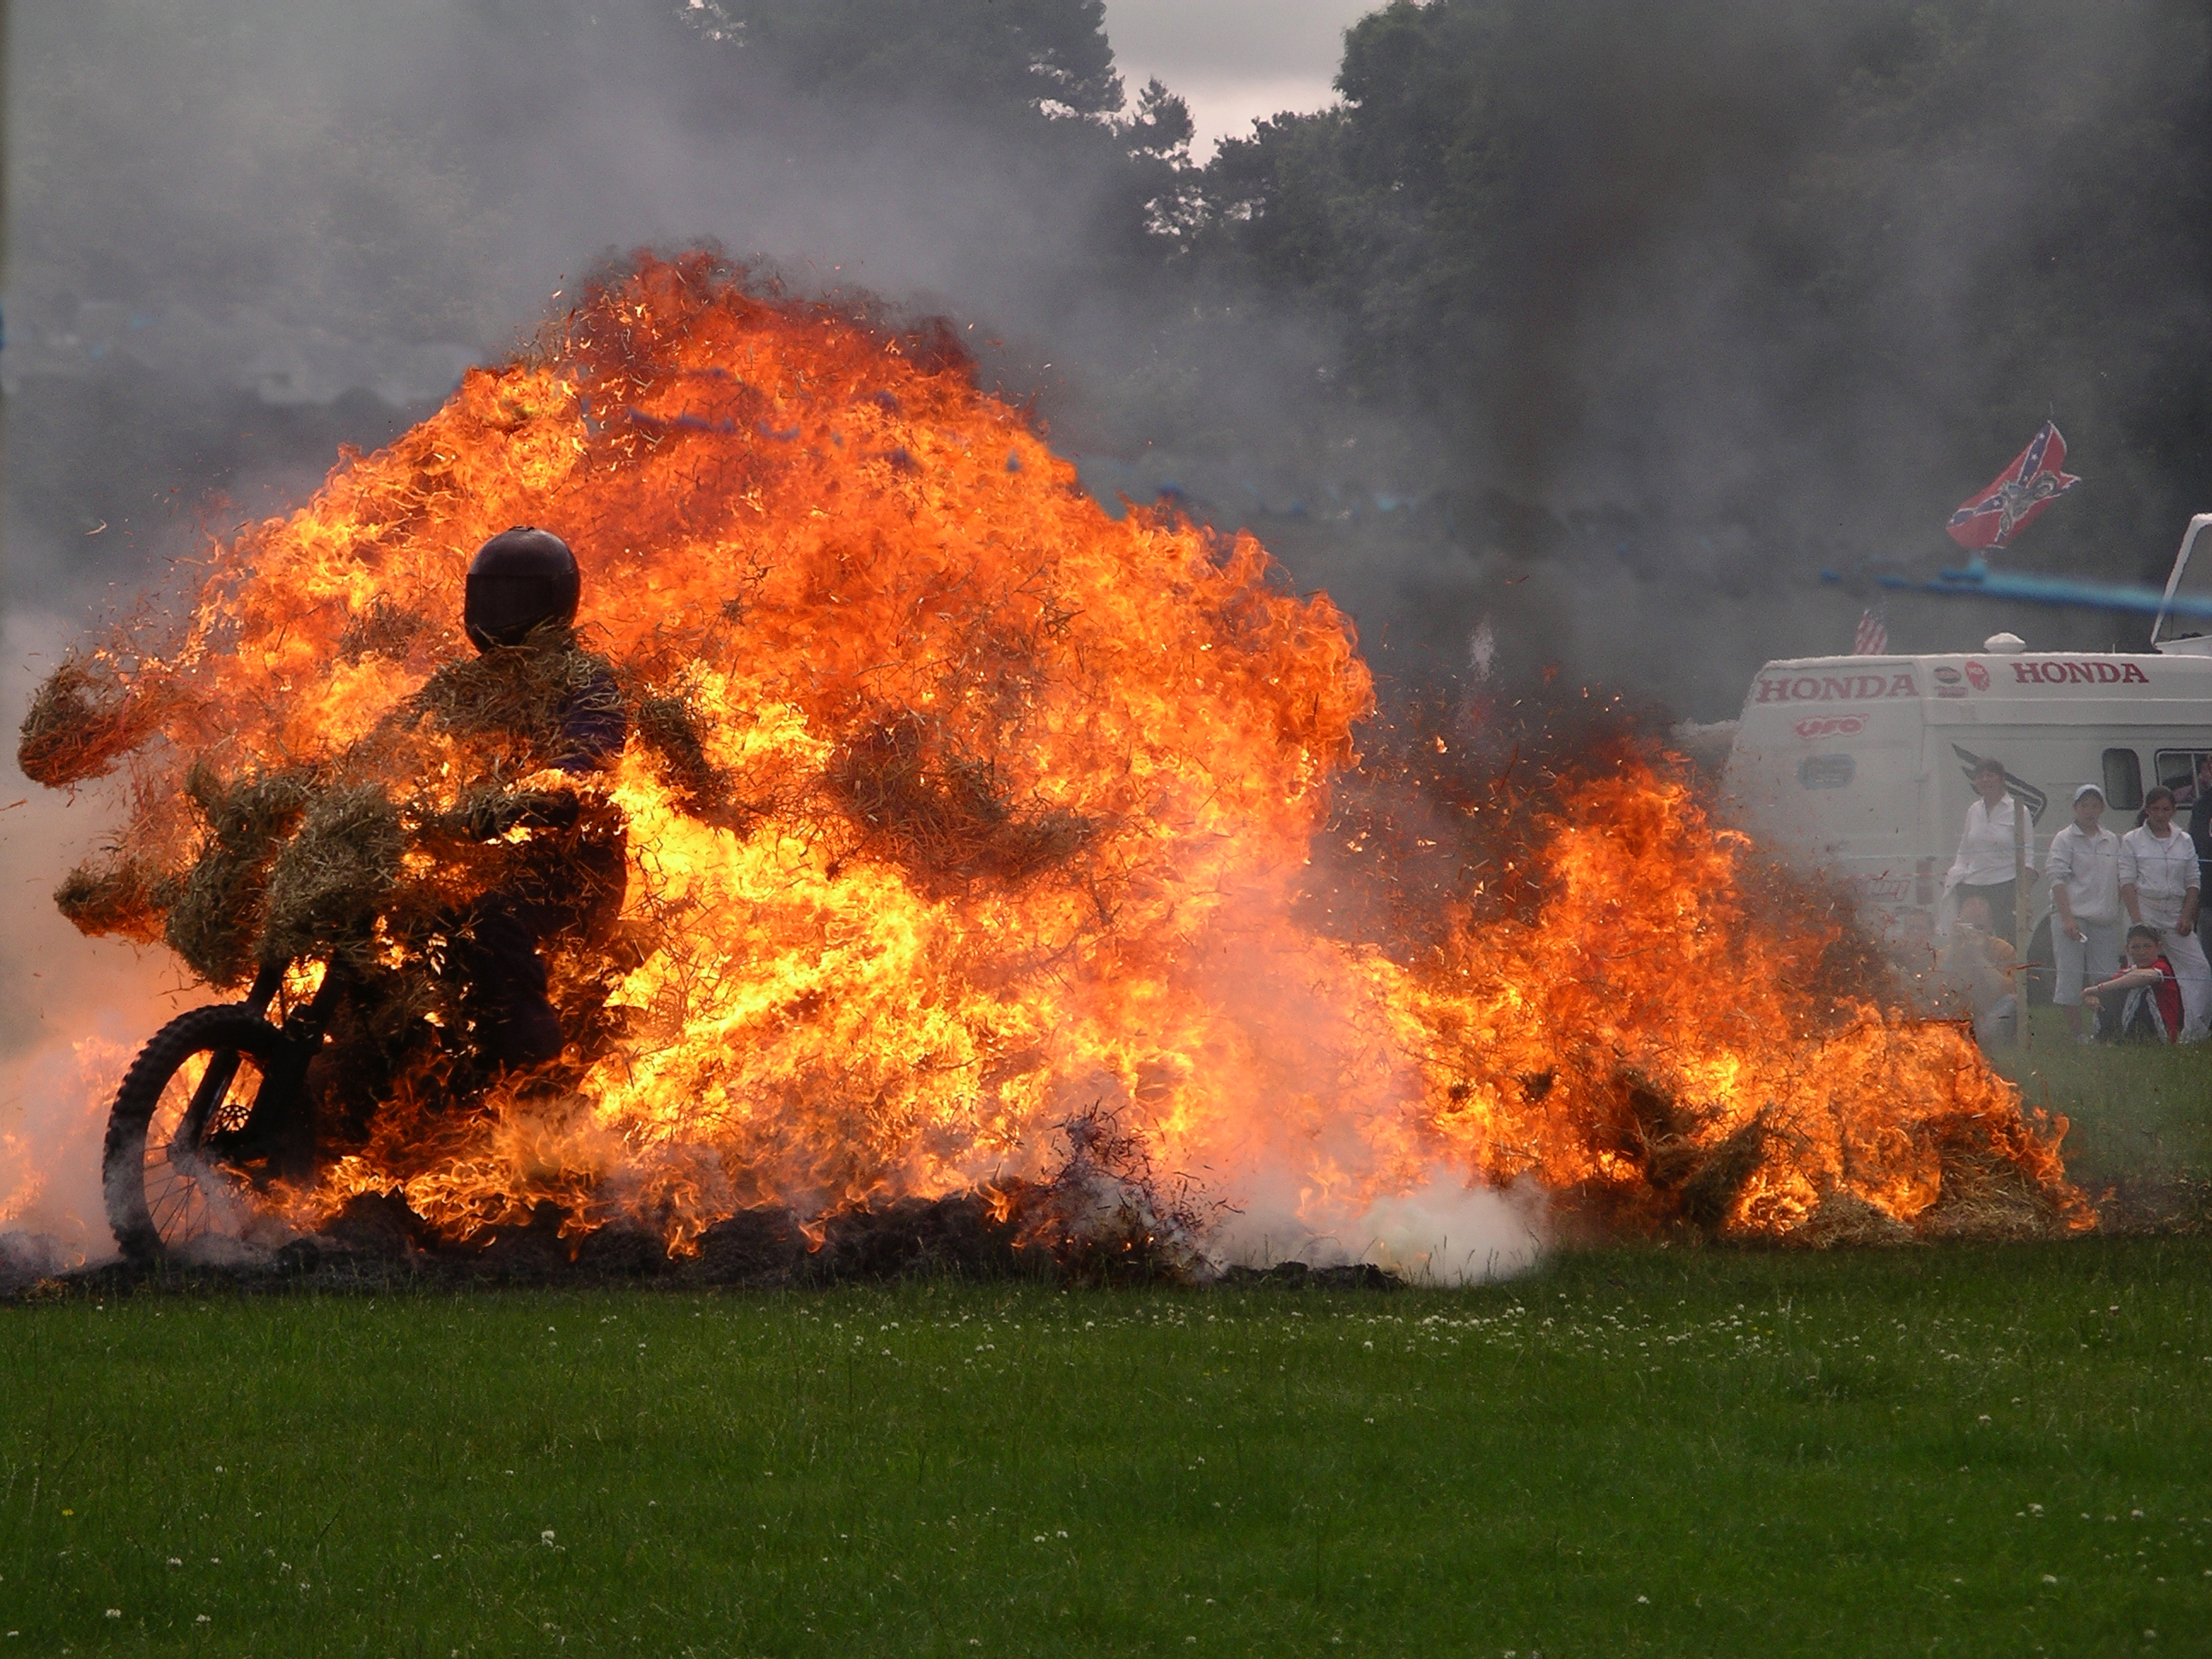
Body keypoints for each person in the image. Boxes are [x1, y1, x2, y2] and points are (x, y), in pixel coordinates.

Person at [442, 527, 629, 1071]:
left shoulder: (586, 682)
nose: (498, 611)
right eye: (489, 595)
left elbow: (587, 752)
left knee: (493, 922)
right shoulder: (465, 689)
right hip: (484, 859)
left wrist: (540, 793)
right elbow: (404, 744)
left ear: (549, 603)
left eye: (513, 596)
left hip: (570, 871)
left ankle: (539, 1095)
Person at [2117, 784, 2209, 1041]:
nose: (2161, 814)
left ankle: (2193, 1033)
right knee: (2140, 971)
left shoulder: (2184, 840)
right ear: (2147, 811)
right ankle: (2135, 1030)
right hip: (2144, 907)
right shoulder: (2132, 840)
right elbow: (2126, 881)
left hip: (2176, 912)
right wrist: (2138, 923)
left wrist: (2187, 917)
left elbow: (2193, 881)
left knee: (2198, 968)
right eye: (2155, 809)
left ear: (2174, 810)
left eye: (2166, 809)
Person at [2046, 783, 2123, 1042]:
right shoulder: (2064, 838)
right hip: (2073, 918)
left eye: (2094, 805)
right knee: (2070, 977)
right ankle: (2078, 1035)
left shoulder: (2110, 839)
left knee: (2106, 978)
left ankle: (2103, 1030)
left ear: (2102, 807)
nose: (2089, 810)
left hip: (2103, 918)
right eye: (2084, 805)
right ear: (2075, 808)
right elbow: (2057, 879)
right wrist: (2066, 918)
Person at [1943, 756, 2034, 947]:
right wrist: (1955, 876)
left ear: (2001, 779)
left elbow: (2028, 858)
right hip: (1973, 886)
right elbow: (1964, 850)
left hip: (2005, 887)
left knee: (2006, 943)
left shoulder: (2018, 810)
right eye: (1980, 777)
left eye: (1990, 776)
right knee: (1969, 943)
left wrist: (2024, 898)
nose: (1985, 780)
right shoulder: (1973, 811)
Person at [2081, 925, 2185, 1044]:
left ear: (2158, 947)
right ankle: (2106, 1035)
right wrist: (2092, 996)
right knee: (2109, 983)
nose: (2141, 952)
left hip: (2162, 1031)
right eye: (2135, 947)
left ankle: (2133, 1036)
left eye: (2147, 946)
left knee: (2138, 987)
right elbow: (2105, 982)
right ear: (2127, 950)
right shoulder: (2131, 970)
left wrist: (2099, 989)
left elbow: (2142, 977)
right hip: (2140, 1024)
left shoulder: (2162, 966)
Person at [1941, 894, 2019, 1047]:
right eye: (1968, 926)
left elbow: (2009, 991)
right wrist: (1955, 948)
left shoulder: (2003, 949)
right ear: (1958, 925)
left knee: (2012, 1001)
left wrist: (1978, 956)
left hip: (1992, 1011)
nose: (1974, 932)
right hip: (1961, 1011)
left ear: (1990, 926)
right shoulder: (1948, 951)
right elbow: (1933, 986)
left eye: (1979, 927)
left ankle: (1978, 1037)